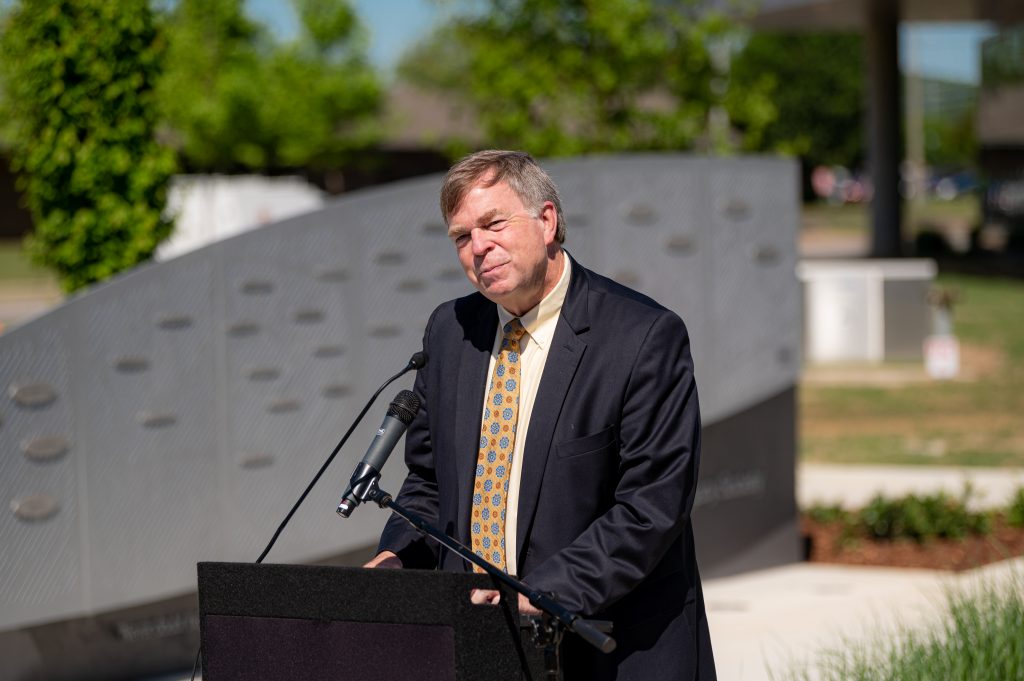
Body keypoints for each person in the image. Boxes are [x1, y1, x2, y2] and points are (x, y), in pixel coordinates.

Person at [365, 150, 715, 680]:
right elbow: (430, 484)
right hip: (478, 645)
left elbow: (651, 506)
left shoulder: (643, 337)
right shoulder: (450, 330)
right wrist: (398, 555)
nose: (479, 247)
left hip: (609, 646)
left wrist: (532, 594)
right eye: (462, 236)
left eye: (493, 224)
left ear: (547, 221)